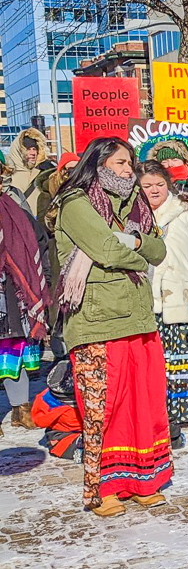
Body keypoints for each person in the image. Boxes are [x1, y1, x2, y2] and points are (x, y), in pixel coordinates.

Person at [53, 137, 171, 517]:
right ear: (99, 163)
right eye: (119, 163)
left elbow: (159, 250)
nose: (126, 170)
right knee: (104, 409)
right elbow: (106, 249)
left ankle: (140, 481)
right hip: (96, 321)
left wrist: (133, 241)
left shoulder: (135, 202)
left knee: (142, 404)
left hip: (137, 315)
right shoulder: (76, 203)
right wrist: (137, 252)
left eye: (129, 163)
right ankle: (101, 489)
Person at [136, 161, 188, 447]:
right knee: (153, 362)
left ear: (168, 184)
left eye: (159, 184)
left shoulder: (186, 212)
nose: (154, 190)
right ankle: (156, 414)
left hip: (180, 292)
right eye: (147, 185)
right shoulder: (133, 214)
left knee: (182, 357)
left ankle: (185, 412)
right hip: (145, 297)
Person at [0, 184, 50, 437]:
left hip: (11, 291)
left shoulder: (14, 209)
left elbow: (38, 241)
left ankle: (21, 408)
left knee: (13, 348)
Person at [6, 127, 54, 211]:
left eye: (34, 149)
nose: (33, 153)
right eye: (28, 149)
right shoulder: (7, 176)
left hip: (40, 222)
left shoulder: (44, 172)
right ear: (19, 151)